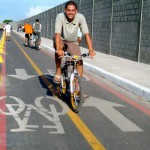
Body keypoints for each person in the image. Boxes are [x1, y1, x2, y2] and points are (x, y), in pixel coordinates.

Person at [53, 1, 95, 84]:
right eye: (68, 10)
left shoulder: (80, 17)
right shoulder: (60, 16)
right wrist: (58, 49)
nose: (70, 12)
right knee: (59, 50)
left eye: (73, 10)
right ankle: (58, 71)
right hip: (61, 39)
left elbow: (86, 34)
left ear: (76, 11)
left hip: (72, 41)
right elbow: (57, 34)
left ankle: (77, 88)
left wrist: (91, 50)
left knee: (79, 61)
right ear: (65, 10)